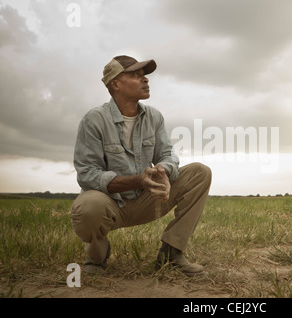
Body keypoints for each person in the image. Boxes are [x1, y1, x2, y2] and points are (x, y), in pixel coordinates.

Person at [70, 55, 212, 276]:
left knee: (199, 173)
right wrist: (138, 180)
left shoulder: (154, 117)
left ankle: (171, 253)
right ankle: (97, 256)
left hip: (147, 200)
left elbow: (167, 154)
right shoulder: (94, 120)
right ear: (115, 84)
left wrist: (163, 170)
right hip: (111, 205)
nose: (145, 80)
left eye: (144, 76)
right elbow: (88, 175)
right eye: (135, 75)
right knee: (88, 206)